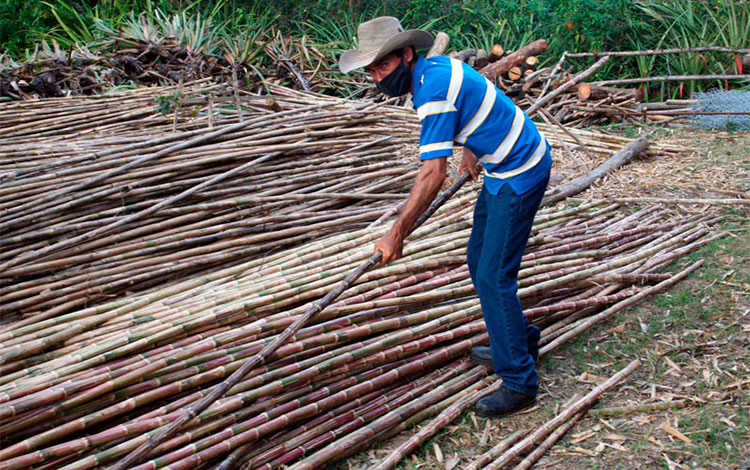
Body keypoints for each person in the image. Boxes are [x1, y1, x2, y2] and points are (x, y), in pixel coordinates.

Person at [339, 16, 552, 417]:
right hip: (502, 163)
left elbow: (433, 172)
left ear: (406, 55)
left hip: (520, 170)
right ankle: (519, 340)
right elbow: (479, 93)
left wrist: (397, 232)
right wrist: (472, 145)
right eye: (371, 70)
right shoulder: (440, 67)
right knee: (478, 262)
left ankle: (519, 380)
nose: (377, 77)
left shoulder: (431, 90)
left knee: (494, 276)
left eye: (383, 66)